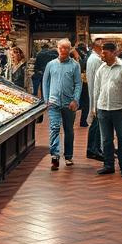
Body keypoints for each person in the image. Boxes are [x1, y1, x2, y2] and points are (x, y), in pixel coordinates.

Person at [88, 42, 122, 176]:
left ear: (114, 53)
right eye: (102, 52)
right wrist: (94, 107)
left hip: (119, 109)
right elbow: (96, 89)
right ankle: (108, 165)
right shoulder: (101, 69)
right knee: (106, 139)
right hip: (103, 108)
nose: (102, 55)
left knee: (121, 138)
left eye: (105, 53)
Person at [42, 39, 82, 170]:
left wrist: (75, 100)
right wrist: (46, 99)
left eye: (66, 48)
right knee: (54, 128)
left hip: (68, 103)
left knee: (68, 130)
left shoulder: (75, 65)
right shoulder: (50, 65)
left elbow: (78, 84)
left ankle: (69, 156)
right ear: (57, 49)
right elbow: (45, 82)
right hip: (53, 103)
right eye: (61, 48)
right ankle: (55, 156)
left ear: (70, 49)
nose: (63, 50)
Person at [85, 40, 104, 160]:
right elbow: (99, 80)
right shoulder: (95, 60)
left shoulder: (94, 59)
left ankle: (95, 148)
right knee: (96, 124)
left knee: (97, 123)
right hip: (97, 95)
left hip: (95, 94)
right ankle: (93, 149)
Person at [74, 43, 90, 126]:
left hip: (75, 82)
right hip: (84, 82)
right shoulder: (86, 55)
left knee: (75, 100)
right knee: (86, 102)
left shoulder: (73, 54)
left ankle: (70, 119)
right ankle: (83, 121)